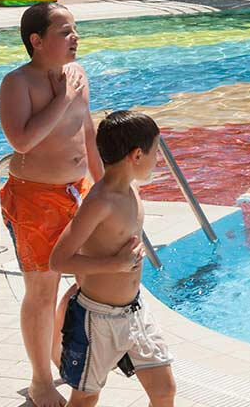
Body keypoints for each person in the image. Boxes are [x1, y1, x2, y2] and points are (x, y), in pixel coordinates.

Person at [0, 3, 103, 407]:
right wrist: (62, 99)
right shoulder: (17, 83)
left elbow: (88, 133)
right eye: (64, 31)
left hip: (79, 191)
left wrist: (106, 186)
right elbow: (22, 142)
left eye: (75, 28)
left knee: (89, 278)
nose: (75, 36)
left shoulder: (78, 75)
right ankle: (41, 379)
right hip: (34, 199)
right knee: (41, 290)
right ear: (37, 41)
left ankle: (57, 347)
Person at [49, 111, 175, 406]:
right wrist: (114, 265)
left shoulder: (131, 188)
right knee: (86, 399)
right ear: (137, 155)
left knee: (164, 391)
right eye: (156, 152)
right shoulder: (100, 201)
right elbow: (59, 260)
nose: (158, 159)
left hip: (134, 311)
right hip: (98, 319)